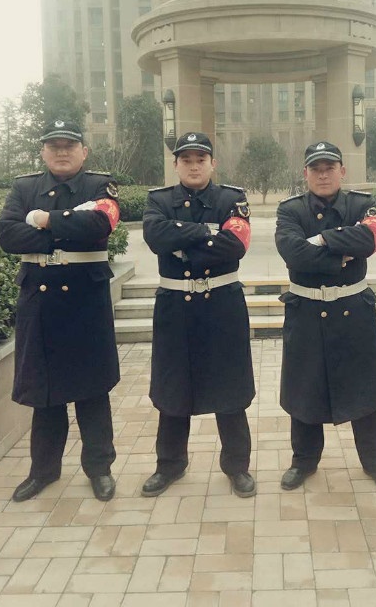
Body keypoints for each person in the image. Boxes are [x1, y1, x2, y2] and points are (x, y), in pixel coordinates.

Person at [0, 119, 121, 502]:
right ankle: (43, 471)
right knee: (44, 393)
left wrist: (44, 220)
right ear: (43, 152)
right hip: (40, 302)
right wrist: (66, 229)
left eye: (69, 146)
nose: (62, 152)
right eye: (54, 146)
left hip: (85, 301)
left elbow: (100, 224)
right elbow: (7, 234)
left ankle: (99, 469)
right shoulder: (25, 187)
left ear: (84, 151)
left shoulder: (100, 186)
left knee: (93, 391)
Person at [275, 141, 376, 492]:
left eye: (329, 168)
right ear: (305, 174)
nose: (323, 174)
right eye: (316, 169)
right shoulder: (290, 210)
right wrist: (339, 251)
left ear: (342, 171)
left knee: (366, 390)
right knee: (304, 389)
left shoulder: (361, 205)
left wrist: (319, 240)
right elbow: (293, 253)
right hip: (306, 311)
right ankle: (303, 461)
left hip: (353, 311)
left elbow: (369, 240)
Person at [141, 131, 256, 498]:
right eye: (186, 160)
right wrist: (208, 231)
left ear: (212, 164)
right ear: (175, 164)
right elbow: (155, 237)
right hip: (175, 307)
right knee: (172, 389)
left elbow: (234, 246)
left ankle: (237, 467)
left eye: (200, 159)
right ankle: (170, 465)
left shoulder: (232, 199)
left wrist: (183, 245)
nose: (194, 166)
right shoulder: (158, 200)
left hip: (222, 305)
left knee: (230, 389)